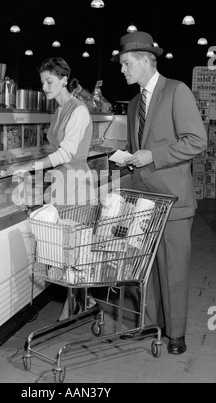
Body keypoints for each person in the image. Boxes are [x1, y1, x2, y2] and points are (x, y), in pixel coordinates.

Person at [112, 31, 207, 354]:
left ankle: (176, 333)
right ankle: (150, 323)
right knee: (146, 268)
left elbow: (196, 140)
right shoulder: (135, 103)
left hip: (174, 201)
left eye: (126, 63)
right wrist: (126, 158)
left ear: (144, 60)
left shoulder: (176, 91)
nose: (122, 70)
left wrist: (154, 155)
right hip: (144, 200)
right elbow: (138, 146)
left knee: (174, 269)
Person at [8, 57, 96, 320]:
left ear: (64, 80)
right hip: (61, 185)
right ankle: (84, 301)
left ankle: (73, 308)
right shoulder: (60, 110)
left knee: (71, 249)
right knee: (64, 248)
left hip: (76, 187)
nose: (45, 87)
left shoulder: (78, 110)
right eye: (43, 82)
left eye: (50, 81)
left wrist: (33, 166)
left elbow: (67, 153)